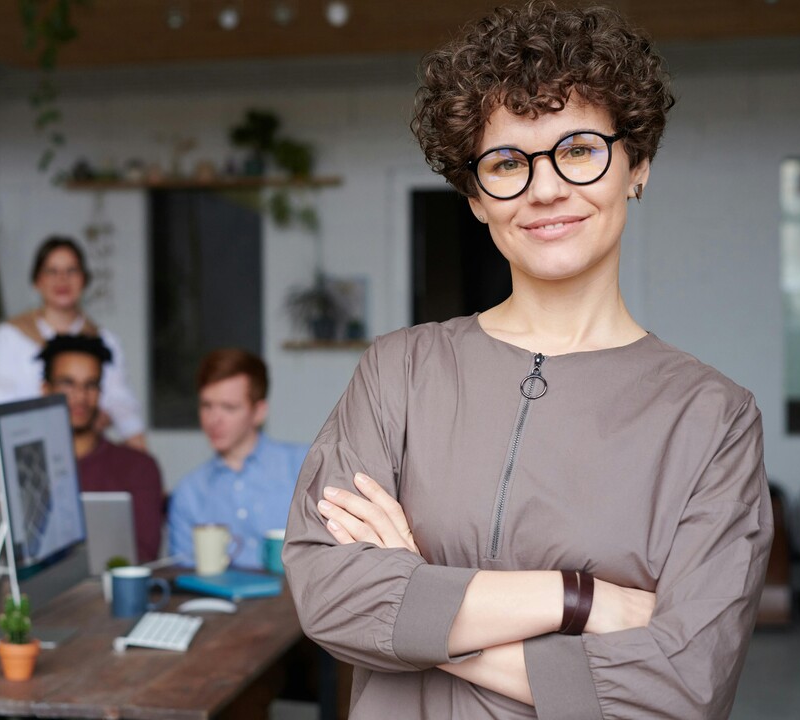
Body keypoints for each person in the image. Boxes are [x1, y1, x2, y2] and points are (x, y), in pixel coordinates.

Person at [283, 4, 772, 719]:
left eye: (577, 149)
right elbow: (330, 595)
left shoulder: (712, 419)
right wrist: (579, 601)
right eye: (508, 163)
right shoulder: (399, 374)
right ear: (477, 198)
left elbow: (680, 690)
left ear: (636, 165)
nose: (545, 188)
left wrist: (420, 610)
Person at [0, 335, 165, 563]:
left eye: (90, 385)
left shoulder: (138, 467)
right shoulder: (5, 467)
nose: (80, 397)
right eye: (68, 383)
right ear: (45, 389)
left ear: (100, 392)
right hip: (28, 594)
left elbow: (144, 556)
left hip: (106, 594)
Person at [0, 237, 145, 457]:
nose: (62, 279)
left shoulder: (103, 341)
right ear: (37, 281)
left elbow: (121, 406)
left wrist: (141, 455)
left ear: (84, 279)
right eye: (52, 271)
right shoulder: (9, 336)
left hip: (82, 458)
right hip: (17, 454)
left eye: (71, 271)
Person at [168, 349, 308, 570]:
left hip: (297, 603)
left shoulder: (303, 466)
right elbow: (184, 577)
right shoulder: (189, 492)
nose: (214, 419)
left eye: (229, 407)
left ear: (259, 412)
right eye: (206, 405)